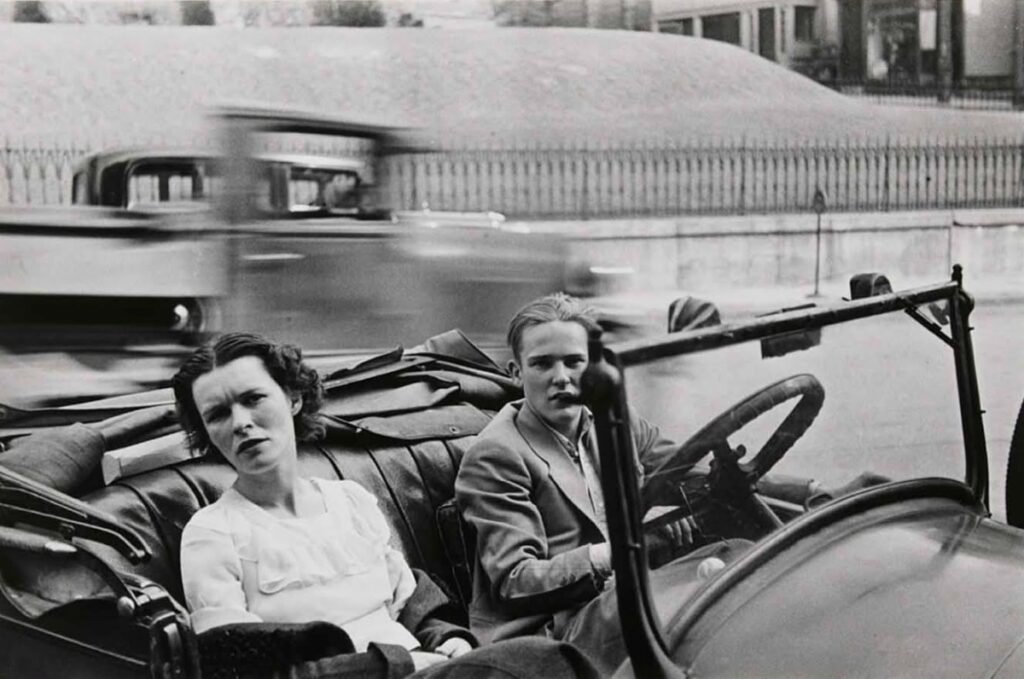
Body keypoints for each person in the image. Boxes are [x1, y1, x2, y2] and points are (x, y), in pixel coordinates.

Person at [454, 293, 883, 676]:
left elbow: (697, 470)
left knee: (742, 561)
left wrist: (811, 490)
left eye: (574, 362)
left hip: (622, 591)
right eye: (542, 364)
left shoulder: (610, 423)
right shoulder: (498, 454)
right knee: (716, 603)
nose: (561, 377)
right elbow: (515, 581)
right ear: (516, 371)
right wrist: (621, 550)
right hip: (554, 628)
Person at [174, 332, 598, 679]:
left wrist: (448, 640)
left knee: (542, 660)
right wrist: (397, 663)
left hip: (423, 667)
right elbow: (237, 668)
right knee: (539, 662)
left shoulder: (349, 501)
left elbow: (411, 604)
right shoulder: (213, 533)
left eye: (253, 399)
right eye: (217, 414)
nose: (241, 423)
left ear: (293, 399)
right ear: (207, 433)